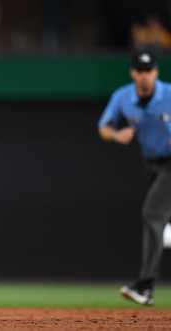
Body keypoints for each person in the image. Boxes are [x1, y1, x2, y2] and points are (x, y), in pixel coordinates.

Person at [98, 50, 171, 306]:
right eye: (140, 71)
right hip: (152, 164)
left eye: (148, 71)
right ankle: (147, 285)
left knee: (152, 214)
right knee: (158, 222)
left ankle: (145, 285)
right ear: (133, 73)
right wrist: (117, 136)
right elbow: (104, 127)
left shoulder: (169, 95)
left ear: (156, 72)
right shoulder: (123, 97)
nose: (144, 76)